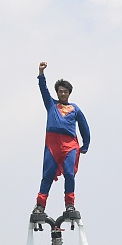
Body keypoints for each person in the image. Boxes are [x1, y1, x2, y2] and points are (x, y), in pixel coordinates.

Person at [32, 61, 90, 215]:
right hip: (53, 145)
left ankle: (69, 204)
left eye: (65, 91)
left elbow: (84, 126)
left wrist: (86, 144)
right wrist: (41, 73)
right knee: (47, 175)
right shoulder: (51, 104)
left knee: (69, 174)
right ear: (57, 93)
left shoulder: (75, 108)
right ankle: (40, 205)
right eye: (60, 91)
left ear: (69, 93)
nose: (62, 94)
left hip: (69, 145)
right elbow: (43, 89)